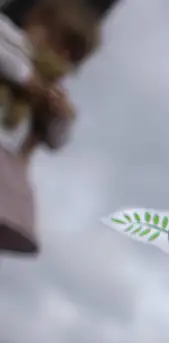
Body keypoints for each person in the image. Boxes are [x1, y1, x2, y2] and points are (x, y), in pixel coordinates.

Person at [0, 0, 98, 256]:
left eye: (72, 56)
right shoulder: (10, 39)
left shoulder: (51, 88)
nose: (61, 56)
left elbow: (56, 141)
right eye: (60, 41)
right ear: (39, 23)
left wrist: (60, 116)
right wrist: (26, 78)